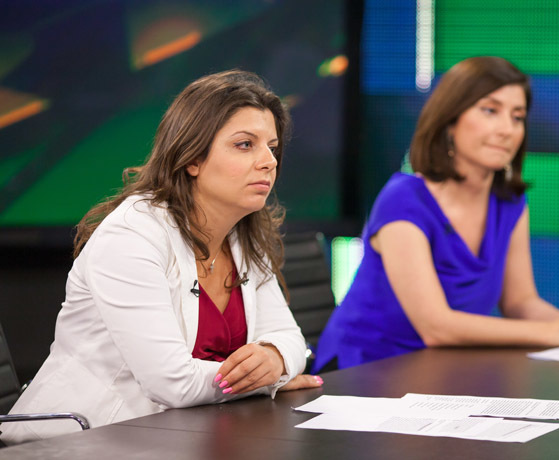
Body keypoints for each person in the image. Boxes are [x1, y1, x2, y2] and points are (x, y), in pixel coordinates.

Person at [1, 70, 322, 444]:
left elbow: (290, 340)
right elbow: (173, 384)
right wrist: (266, 381)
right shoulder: (132, 235)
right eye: (245, 145)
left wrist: (274, 358)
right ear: (192, 158)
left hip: (180, 438)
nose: (269, 161)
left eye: (273, 147)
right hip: (79, 442)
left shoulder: (241, 233)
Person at [313, 56, 559, 372]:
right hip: (362, 371)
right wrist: (555, 332)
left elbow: (520, 303)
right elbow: (436, 327)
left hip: (444, 371)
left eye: (518, 117)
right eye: (490, 111)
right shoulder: (402, 200)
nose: (507, 130)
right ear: (450, 121)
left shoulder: (510, 202)